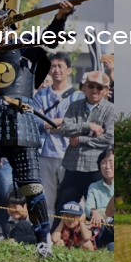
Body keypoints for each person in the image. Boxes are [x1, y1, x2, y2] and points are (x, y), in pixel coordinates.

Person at [0, 0, 75, 260]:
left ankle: (43, 241)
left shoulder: (24, 43)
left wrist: (61, 16)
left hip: (21, 120)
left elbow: (50, 38)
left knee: (32, 186)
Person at [51, 70, 115, 209]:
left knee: (98, 211)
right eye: (91, 86)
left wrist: (80, 139)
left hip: (95, 168)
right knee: (62, 210)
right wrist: (89, 126)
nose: (95, 90)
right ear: (84, 87)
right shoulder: (74, 106)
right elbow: (65, 129)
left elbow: (109, 138)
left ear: (106, 90)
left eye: (99, 87)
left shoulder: (110, 109)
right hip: (72, 166)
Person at [32, 55, 82, 218]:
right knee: (46, 199)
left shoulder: (78, 96)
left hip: (70, 154)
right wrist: (62, 124)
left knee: (72, 198)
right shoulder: (40, 96)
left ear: (69, 70)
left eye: (60, 66)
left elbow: (77, 122)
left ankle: (72, 237)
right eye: (53, 66)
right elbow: (36, 121)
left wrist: (53, 124)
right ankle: (47, 237)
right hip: (45, 153)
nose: (56, 70)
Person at [84, 153, 114, 221]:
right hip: (101, 223)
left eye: (111, 162)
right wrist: (94, 212)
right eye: (103, 163)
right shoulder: (94, 187)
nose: (107, 166)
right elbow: (89, 206)